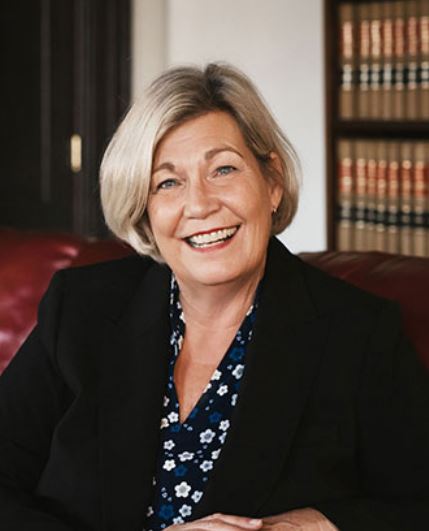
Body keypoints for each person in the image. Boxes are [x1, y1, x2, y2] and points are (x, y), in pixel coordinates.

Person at [0, 63, 428, 531]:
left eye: (223, 169)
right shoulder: (81, 308)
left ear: (272, 182)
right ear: (145, 211)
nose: (200, 205)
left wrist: (324, 523)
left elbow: (415, 503)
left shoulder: (359, 335)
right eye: (168, 182)